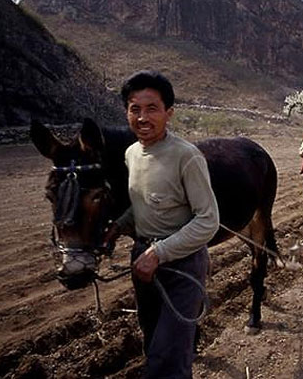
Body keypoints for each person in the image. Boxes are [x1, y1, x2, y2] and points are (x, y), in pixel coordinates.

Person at [104, 70, 219, 378]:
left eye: (152, 108)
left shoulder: (187, 156)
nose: (142, 117)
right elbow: (141, 204)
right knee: (154, 340)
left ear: (169, 113)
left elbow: (208, 220)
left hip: (182, 266)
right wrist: (119, 226)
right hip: (142, 261)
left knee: (167, 358)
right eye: (134, 108)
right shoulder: (131, 154)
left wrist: (159, 253)